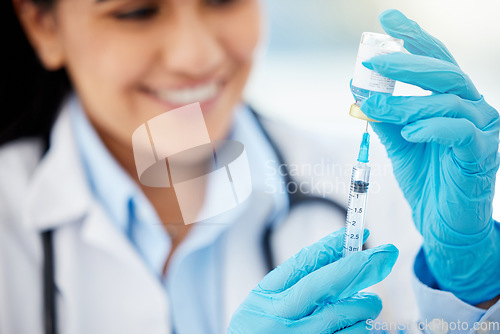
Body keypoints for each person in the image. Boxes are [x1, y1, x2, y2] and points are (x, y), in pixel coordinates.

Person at [1, 0, 499, 332]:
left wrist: (473, 292)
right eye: (136, 11)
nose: (195, 55)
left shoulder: (386, 194)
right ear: (44, 26)